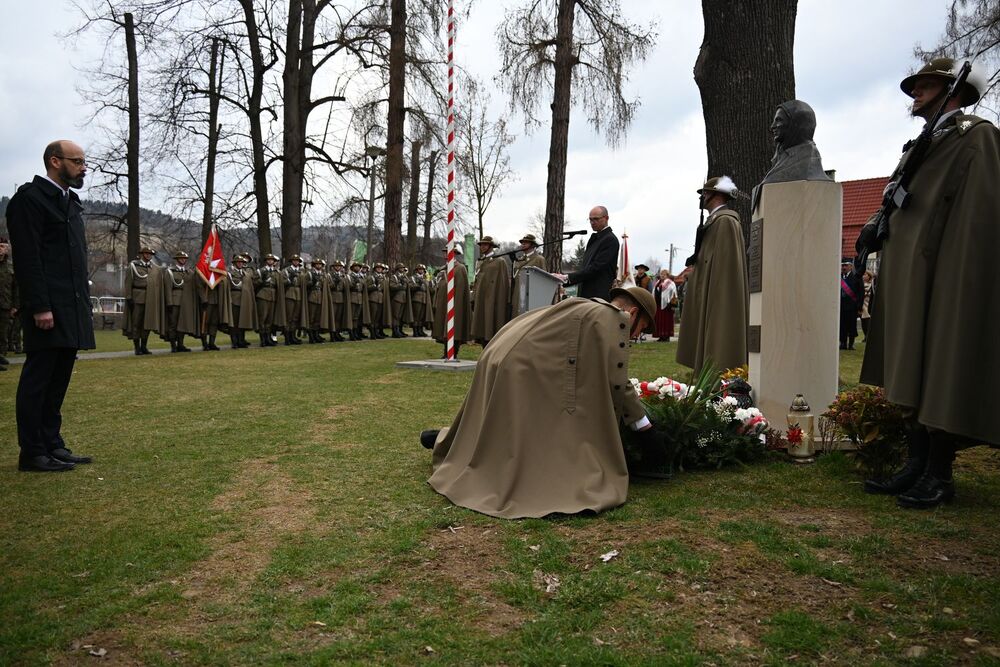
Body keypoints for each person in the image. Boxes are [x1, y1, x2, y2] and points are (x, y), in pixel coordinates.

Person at [861, 57, 1000, 509]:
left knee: (940, 363)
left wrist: (956, 273)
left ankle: (940, 473)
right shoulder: (916, 146)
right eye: (916, 85)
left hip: (944, 272)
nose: (916, 92)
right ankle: (915, 463)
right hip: (909, 272)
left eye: (927, 85)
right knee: (909, 362)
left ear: (953, 89)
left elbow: (979, 216)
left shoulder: (975, 138)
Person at [420, 286, 657, 519]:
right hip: (522, 365)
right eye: (642, 328)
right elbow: (617, 381)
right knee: (517, 437)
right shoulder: (614, 319)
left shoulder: (587, 306)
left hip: (504, 356)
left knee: (503, 426)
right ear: (633, 314)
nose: (635, 336)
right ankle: (451, 443)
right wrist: (644, 426)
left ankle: (450, 441)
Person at [7, 139, 95, 472]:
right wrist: (40, 306)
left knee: (58, 379)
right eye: (78, 161)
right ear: (55, 161)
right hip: (48, 307)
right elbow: (29, 260)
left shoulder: (69, 202)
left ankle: (51, 443)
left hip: (70, 306)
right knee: (38, 379)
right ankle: (32, 451)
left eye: (85, 161)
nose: (83, 167)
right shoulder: (29, 201)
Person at [676, 176, 749, 374]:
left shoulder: (725, 222)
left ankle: (717, 376)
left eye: (705, 193)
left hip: (717, 291)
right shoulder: (715, 221)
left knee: (717, 333)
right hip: (707, 288)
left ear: (716, 195)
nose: (703, 197)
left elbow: (725, 268)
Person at [557, 205, 619, 300]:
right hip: (586, 293)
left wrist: (568, 277)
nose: (592, 222)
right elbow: (586, 267)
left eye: (596, 219)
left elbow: (595, 268)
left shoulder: (610, 240)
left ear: (606, 218)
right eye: (590, 219)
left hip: (598, 295)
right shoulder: (595, 239)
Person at [123, 247, 165, 356]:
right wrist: (129, 297)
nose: (148, 255)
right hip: (138, 297)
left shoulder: (154, 268)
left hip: (151, 298)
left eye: (150, 254)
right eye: (146, 253)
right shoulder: (134, 266)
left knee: (147, 323)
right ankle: (137, 348)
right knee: (137, 323)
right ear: (142, 254)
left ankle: (144, 346)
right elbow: (128, 282)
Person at [432, 245, 471, 359]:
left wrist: (457, 304)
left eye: (447, 252)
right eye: (444, 252)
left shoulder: (460, 268)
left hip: (454, 303)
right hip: (443, 302)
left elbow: (461, 288)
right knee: (444, 327)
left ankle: (453, 352)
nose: (445, 254)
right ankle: (445, 352)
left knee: (454, 328)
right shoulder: (443, 269)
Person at [470, 235, 511, 345]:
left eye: (485, 244)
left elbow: (503, 283)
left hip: (493, 298)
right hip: (481, 297)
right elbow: (477, 280)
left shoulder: (499, 261)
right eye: (481, 244)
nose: (482, 247)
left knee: (491, 324)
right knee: (481, 325)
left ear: (491, 246)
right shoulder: (480, 262)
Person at [164, 251, 193, 352]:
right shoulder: (170, 271)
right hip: (175, 300)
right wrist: (169, 302)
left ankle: (181, 344)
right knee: (173, 323)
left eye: (184, 258)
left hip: (186, 301)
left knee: (182, 323)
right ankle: (173, 345)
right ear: (177, 259)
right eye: (181, 258)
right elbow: (168, 288)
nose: (183, 260)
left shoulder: (188, 272)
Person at [227, 254, 257, 349]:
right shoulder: (230, 274)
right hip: (234, 299)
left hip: (244, 300)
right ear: (235, 263)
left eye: (242, 262)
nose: (240, 264)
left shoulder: (246, 274)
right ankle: (234, 341)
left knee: (242, 321)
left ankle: (241, 340)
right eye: (238, 262)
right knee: (234, 322)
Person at [511, 233, 545, 316]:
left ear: (532, 245)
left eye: (526, 242)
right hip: (518, 293)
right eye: (522, 243)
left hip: (531, 295)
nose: (523, 244)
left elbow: (543, 279)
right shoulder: (519, 260)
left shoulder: (539, 259)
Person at [254, 253, 282, 347]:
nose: (270, 261)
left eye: (272, 260)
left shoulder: (276, 272)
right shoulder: (261, 271)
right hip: (263, 294)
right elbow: (255, 283)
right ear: (266, 261)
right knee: (263, 318)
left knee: (270, 319)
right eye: (269, 260)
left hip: (273, 295)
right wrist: (262, 280)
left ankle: (268, 338)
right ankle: (262, 339)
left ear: (274, 262)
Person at [0, 240, 17, 370]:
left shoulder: (10, 267)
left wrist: (15, 306)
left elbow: (15, 288)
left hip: (5, 304)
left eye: (3, 247)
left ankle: (1, 355)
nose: (0, 249)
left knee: (3, 333)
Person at [839, 259, 862, 350]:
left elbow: (860, 292)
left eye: (846, 265)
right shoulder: (838, 277)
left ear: (851, 267)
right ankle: (843, 343)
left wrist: (859, 306)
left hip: (852, 306)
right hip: (841, 307)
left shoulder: (856, 277)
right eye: (842, 265)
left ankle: (851, 343)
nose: (844, 267)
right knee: (842, 325)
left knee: (852, 325)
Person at [652, 269, 677, 342]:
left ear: (667, 275)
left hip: (667, 306)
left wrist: (672, 304)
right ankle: (661, 336)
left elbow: (674, 293)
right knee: (659, 321)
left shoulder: (671, 283)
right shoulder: (657, 283)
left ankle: (666, 336)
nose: (662, 275)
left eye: (664, 274)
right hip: (659, 305)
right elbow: (654, 292)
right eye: (661, 274)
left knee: (666, 321)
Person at [409, 264, 433, 337]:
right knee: (417, 315)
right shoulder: (413, 277)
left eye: (422, 269)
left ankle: (420, 330)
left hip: (424, 298)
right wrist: (418, 285)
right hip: (417, 297)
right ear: (417, 270)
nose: (421, 270)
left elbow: (428, 288)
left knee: (422, 316)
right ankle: (415, 331)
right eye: (420, 269)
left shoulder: (425, 278)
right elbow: (411, 286)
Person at [860, 270, 873, 342]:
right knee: (863, 322)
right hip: (862, 305)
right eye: (863, 275)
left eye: (865, 274)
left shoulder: (871, 284)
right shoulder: (861, 284)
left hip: (868, 304)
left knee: (867, 322)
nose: (863, 276)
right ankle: (865, 336)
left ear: (869, 276)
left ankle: (868, 336)